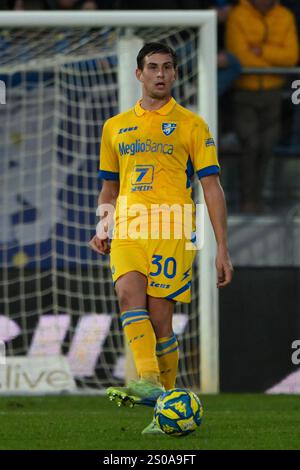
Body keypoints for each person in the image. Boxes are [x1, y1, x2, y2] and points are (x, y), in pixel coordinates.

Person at [89, 42, 233, 434]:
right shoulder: (115, 127)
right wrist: (104, 224)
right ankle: (149, 381)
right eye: (152, 67)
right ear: (139, 74)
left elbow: (212, 187)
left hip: (173, 227)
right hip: (130, 226)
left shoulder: (192, 124)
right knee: (126, 294)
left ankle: (163, 411)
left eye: (167, 67)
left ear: (174, 73)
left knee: (161, 319)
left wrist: (222, 247)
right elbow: (109, 187)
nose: (160, 74)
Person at [226, 0, 299, 213]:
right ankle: (247, 201)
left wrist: (261, 50)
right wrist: (272, 58)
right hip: (244, 91)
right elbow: (240, 57)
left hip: (273, 91)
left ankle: (259, 198)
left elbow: (291, 56)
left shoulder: (284, 16)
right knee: (251, 144)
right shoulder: (238, 15)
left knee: (267, 145)